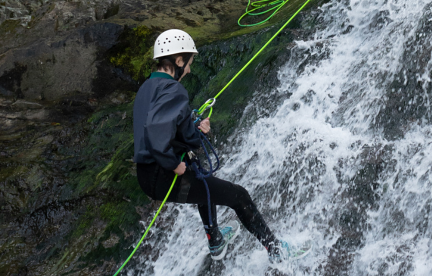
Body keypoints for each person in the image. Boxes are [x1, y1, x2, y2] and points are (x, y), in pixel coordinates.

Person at [133, 29, 310, 263]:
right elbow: (156, 131)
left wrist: (192, 126)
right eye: (188, 62)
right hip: (163, 174)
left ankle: (215, 241)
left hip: (147, 175)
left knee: (202, 176)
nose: (189, 69)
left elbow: (156, 123)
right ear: (178, 60)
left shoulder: (148, 86)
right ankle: (277, 252)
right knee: (239, 196)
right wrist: (174, 163)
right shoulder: (173, 89)